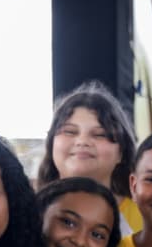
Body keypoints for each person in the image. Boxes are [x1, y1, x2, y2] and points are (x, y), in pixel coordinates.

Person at [38, 80, 141, 236]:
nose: (82, 141)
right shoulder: (27, 213)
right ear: (52, 144)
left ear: (121, 153)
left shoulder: (145, 219)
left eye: (99, 135)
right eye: (70, 132)